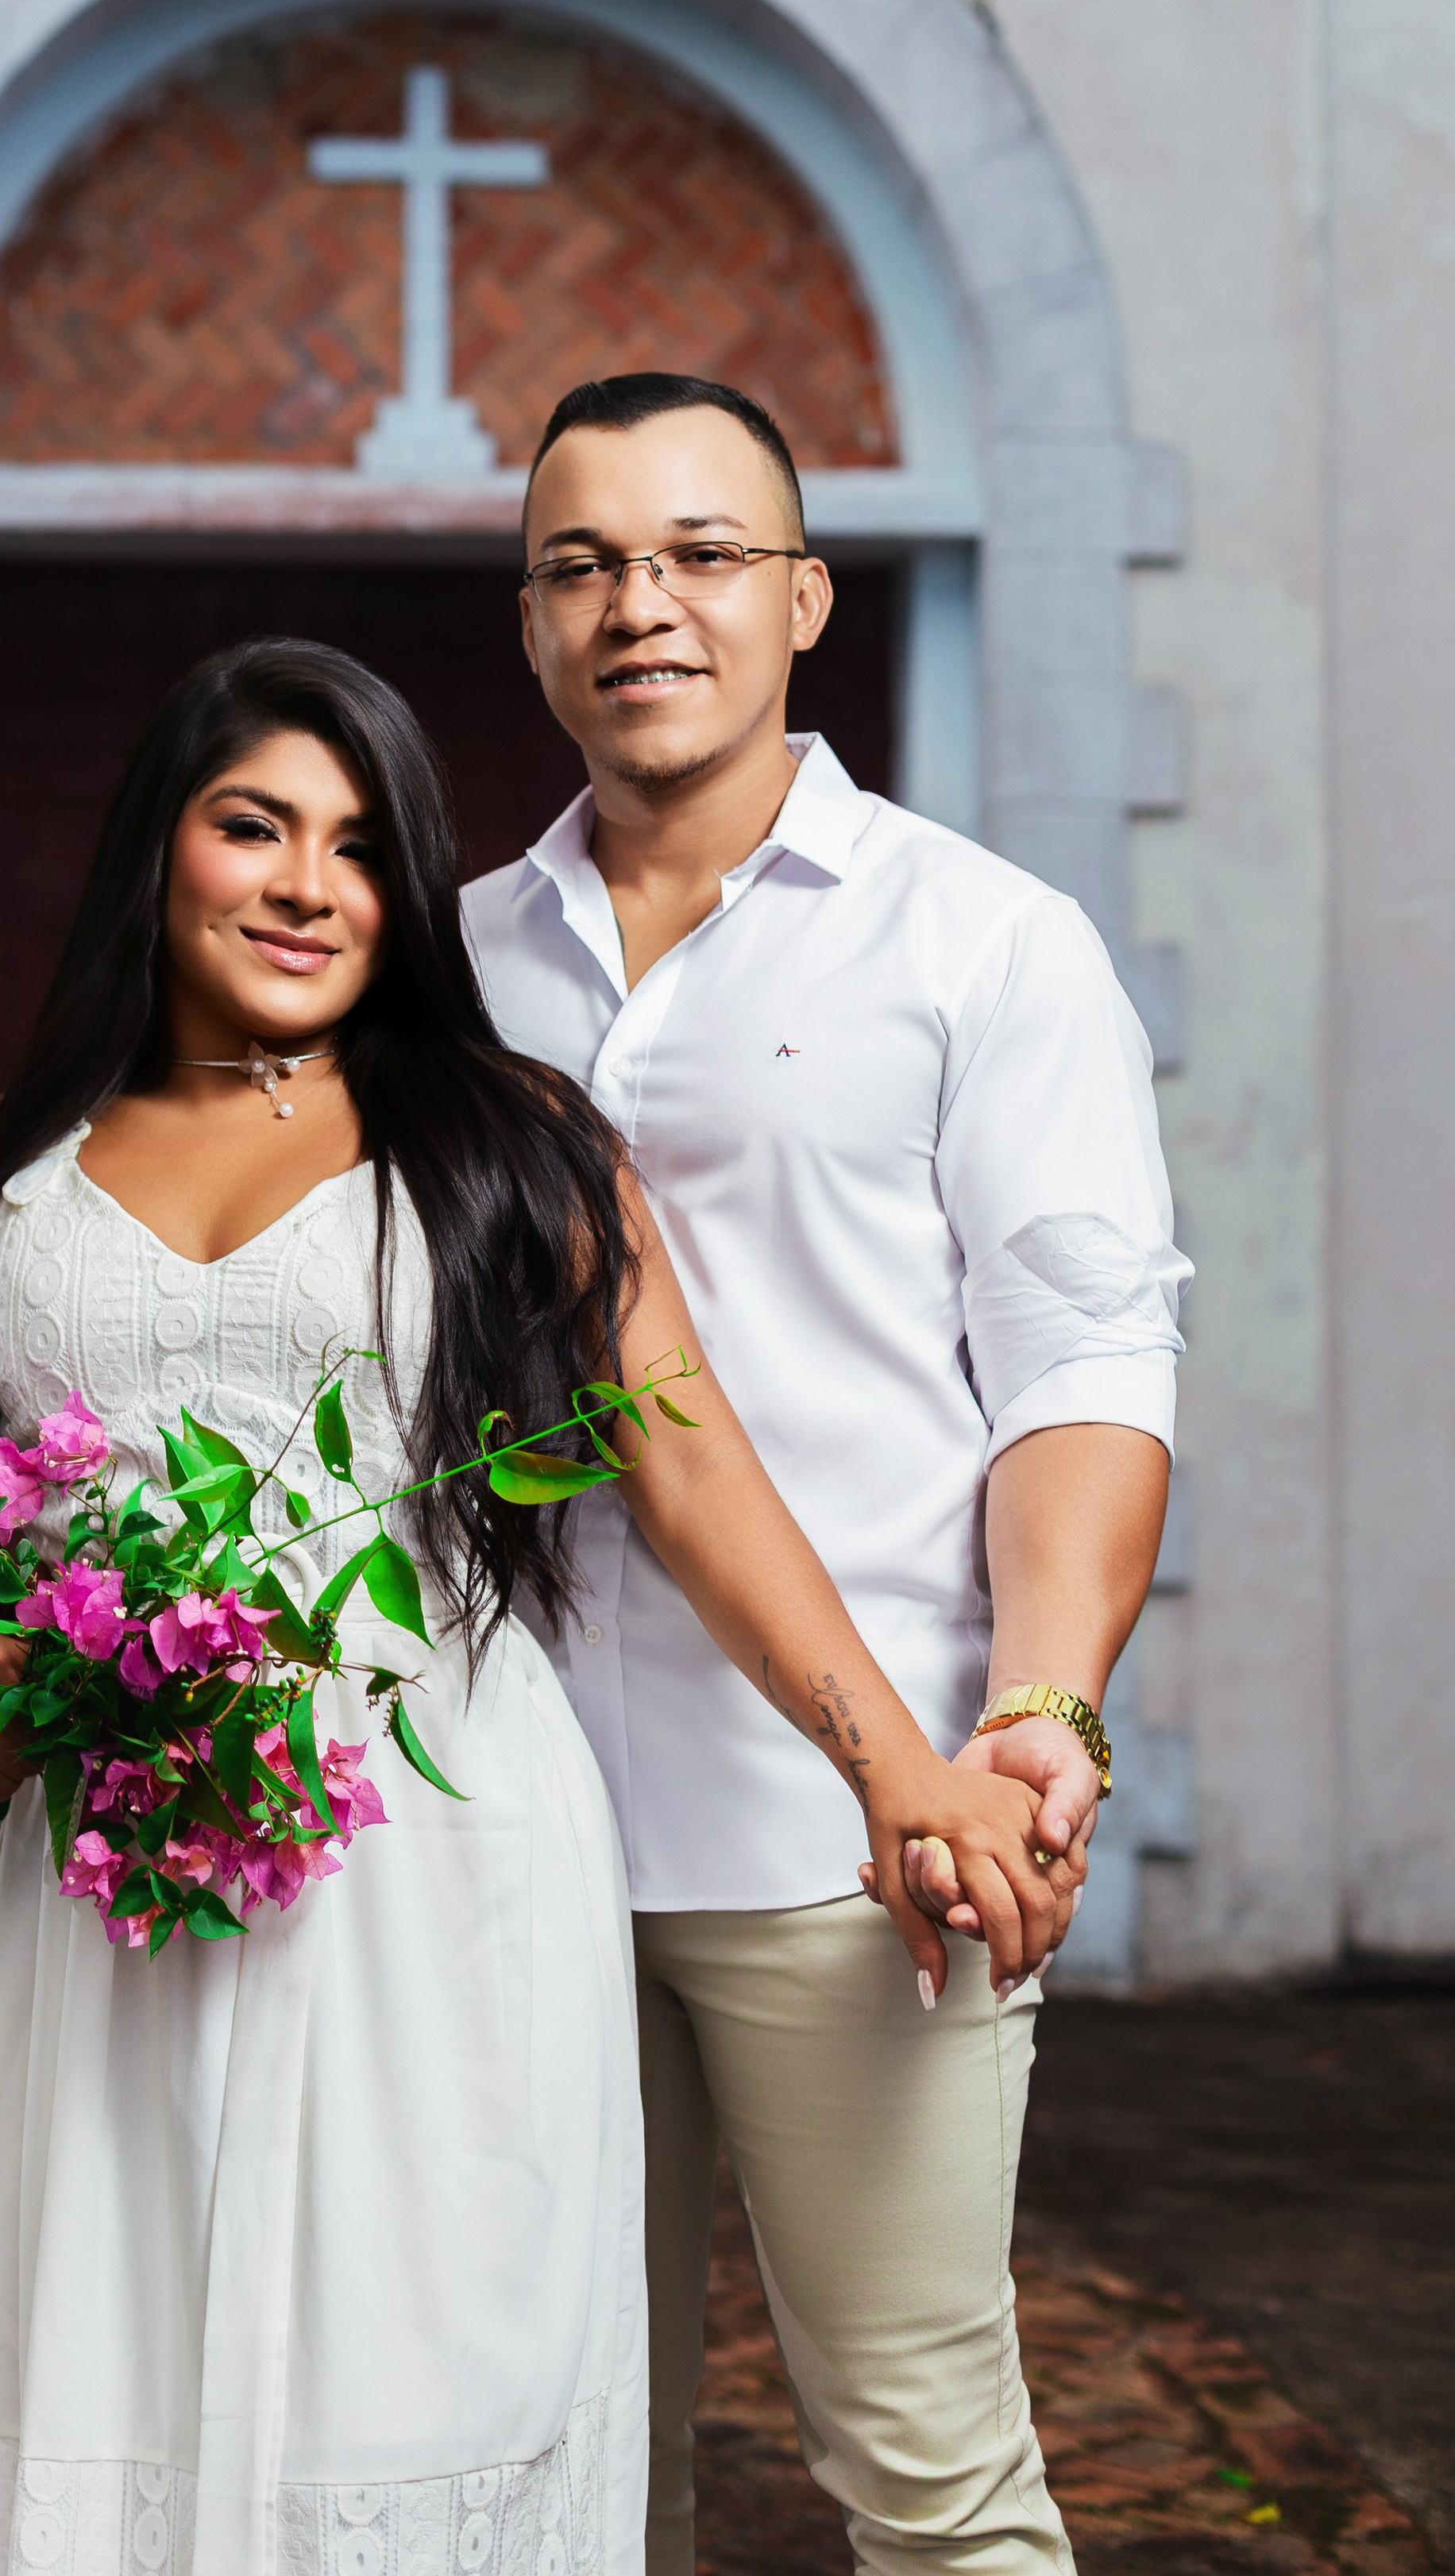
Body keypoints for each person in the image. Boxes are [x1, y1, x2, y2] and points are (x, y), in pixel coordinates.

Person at [0, 638, 1065, 2576]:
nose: (306, 884)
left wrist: (890, 1763)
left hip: (422, 1857)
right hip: (95, 1878)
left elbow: (692, 1476)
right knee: (102, 2370)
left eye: (359, 847)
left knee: (413, 2387)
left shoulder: (511, 1142)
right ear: (159, 846)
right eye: (254, 826)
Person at [462, 374, 1192, 2576]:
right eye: (583, 564)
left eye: (697, 555)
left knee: (927, 2475)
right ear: (530, 626)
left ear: (801, 595)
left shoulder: (983, 941)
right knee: (540, 2477)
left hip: (854, 1835)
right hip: (495, 1834)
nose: (641, 607)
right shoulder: (443, 960)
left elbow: (1083, 1359)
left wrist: (1039, 1706)